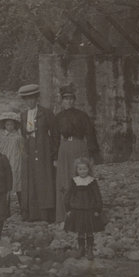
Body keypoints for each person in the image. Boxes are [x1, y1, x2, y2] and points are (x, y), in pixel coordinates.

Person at [53, 83, 100, 223]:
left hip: (80, 147)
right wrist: (55, 157)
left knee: (81, 177)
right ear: (62, 101)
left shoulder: (82, 116)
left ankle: (84, 213)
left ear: (74, 100)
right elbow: (55, 138)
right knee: (65, 181)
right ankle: (64, 215)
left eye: (71, 99)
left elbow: (90, 134)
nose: (69, 101)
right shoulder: (58, 117)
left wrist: (91, 155)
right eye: (66, 99)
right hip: (64, 149)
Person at [18, 83, 56, 222]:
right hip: (29, 149)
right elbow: (23, 134)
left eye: (32, 98)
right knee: (31, 179)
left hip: (44, 149)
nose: (30, 101)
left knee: (44, 179)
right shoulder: (23, 115)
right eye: (27, 99)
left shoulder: (46, 113)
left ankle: (46, 214)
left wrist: (53, 154)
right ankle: (32, 214)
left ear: (36, 98)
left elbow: (54, 134)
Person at [62, 157, 105, 259]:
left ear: (88, 169)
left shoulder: (92, 181)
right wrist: (67, 209)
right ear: (76, 170)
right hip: (77, 210)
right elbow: (68, 195)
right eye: (80, 169)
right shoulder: (74, 181)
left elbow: (97, 196)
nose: (82, 171)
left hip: (89, 209)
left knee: (89, 230)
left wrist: (98, 209)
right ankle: (81, 249)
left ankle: (90, 249)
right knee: (80, 231)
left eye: (84, 169)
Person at [0, 111, 24, 213]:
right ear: (4, 125)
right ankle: (5, 209)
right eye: (7, 124)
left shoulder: (18, 137)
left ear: (15, 125)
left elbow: (22, 150)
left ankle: (23, 208)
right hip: (5, 162)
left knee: (19, 184)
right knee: (5, 185)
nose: (10, 126)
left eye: (11, 124)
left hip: (16, 162)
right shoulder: (1, 137)